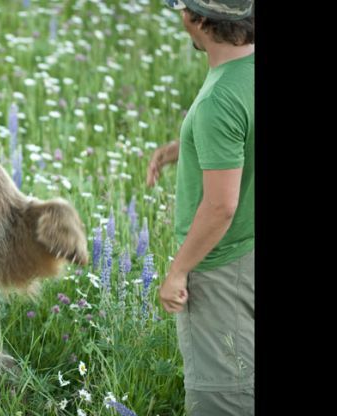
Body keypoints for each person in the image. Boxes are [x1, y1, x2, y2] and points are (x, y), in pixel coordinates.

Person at [147, 1, 255, 414]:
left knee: (223, 398)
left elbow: (220, 207)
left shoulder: (219, 101)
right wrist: (188, 146)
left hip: (222, 265)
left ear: (198, 20)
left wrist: (179, 271)